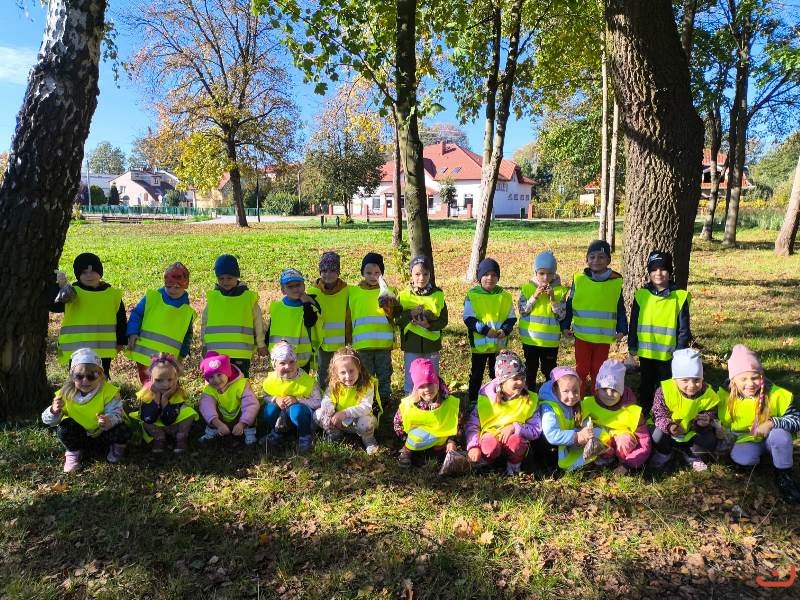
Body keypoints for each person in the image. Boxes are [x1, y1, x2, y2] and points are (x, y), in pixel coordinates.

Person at [717, 344, 800, 503]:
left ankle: (784, 475)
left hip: (772, 438)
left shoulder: (776, 394)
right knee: (742, 459)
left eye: (755, 378)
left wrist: (771, 422)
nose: (750, 384)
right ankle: (765, 459)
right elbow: (718, 419)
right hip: (747, 440)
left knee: (780, 436)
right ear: (733, 380)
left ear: (761, 376)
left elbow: (797, 419)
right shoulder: (724, 396)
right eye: (743, 379)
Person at [41, 348, 130, 472]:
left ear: (100, 375)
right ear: (72, 376)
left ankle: (117, 449)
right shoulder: (65, 393)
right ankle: (73, 453)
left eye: (91, 376)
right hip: (80, 437)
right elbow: (48, 421)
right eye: (79, 376)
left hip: (103, 434)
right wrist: (53, 411)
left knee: (122, 429)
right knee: (64, 427)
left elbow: (117, 413)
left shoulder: (108, 392)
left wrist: (109, 420)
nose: (85, 380)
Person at [628, 251, 691, 414]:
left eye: (663, 269)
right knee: (646, 383)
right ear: (649, 272)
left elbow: (684, 328)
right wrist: (632, 345)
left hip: (668, 353)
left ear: (670, 272)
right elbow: (634, 322)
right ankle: (645, 410)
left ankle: (663, 412)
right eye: (654, 269)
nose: (659, 273)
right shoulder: (641, 295)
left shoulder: (679, 297)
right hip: (646, 352)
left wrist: (681, 350)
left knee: (665, 385)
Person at [562, 240, 627, 395]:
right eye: (592, 257)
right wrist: (564, 326)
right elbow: (570, 304)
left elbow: (620, 308)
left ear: (608, 260)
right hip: (582, 336)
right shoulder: (579, 280)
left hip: (603, 338)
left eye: (601, 257)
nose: (596, 260)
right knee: (582, 369)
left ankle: (597, 399)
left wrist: (622, 329)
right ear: (587, 259)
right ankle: (577, 398)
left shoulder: (615, 282)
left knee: (598, 370)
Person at [51, 253, 127, 379]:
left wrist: (121, 341)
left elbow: (121, 320)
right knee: (78, 381)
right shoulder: (72, 292)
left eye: (93, 271)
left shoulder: (112, 295)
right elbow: (54, 306)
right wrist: (59, 286)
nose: (89, 275)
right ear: (78, 275)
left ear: (100, 272)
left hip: (103, 351)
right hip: (76, 352)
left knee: (101, 381)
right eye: (84, 272)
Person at [465, 350, 541, 476]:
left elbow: (536, 429)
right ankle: (487, 462)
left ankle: (514, 464)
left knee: (516, 443)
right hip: (490, 438)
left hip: (515, 441)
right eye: (515, 379)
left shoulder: (530, 400)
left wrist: (515, 427)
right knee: (490, 445)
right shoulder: (487, 399)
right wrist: (473, 446)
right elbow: (472, 425)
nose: (520, 382)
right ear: (502, 381)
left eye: (522, 378)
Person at [650, 348, 719, 471]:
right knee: (657, 435)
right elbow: (659, 414)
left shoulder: (707, 393)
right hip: (669, 431)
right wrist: (670, 426)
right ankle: (664, 452)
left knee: (709, 441)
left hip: (692, 431)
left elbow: (711, 411)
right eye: (685, 380)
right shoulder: (664, 391)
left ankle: (691, 454)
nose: (691, 385)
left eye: (697, 380)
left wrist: (706, 420)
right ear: (675, 379)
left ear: (702, 378)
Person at [127, 262, 195, 384]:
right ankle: (147, 396)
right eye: (169, 286)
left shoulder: (186, 310)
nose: (172, 290)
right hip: (144, 354)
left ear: (185, 286)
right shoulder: (152, 298)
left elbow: (187, 334)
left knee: (167, 385)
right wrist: (132, 332)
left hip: (168, 361)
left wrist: (182, 355)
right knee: (147, 383)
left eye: (177, 287)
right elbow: (137, 313)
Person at [201, 254, 266, 378]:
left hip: (241, 353)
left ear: (237, 276)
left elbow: (258, 322)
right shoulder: (213, 298)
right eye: (221, 278)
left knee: (240, 383)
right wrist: (204, 345)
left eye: (229, 278)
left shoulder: (248, 298)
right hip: (215, 353)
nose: (225, 282)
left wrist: (261, 344)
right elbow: (205, 323)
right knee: (216, 384)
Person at [581, 359, 652, 474]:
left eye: (614, 390)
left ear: (621, 391)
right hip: (602, 445)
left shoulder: (632, 412)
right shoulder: (588, 404)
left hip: (623, 448)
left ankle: (620, 460)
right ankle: (604, 458)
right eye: (604, 389)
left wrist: (629, 464)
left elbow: (644, 442)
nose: (609, 394)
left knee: (625, 440)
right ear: (597, 389)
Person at [464, 258, 516, 409]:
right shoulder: (472, 295)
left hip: (499, 344)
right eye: (486, 274)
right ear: (480, 276)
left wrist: (504, 330)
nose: (490, 278)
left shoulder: (505, 296)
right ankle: (473, 400)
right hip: (480, 346)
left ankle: (499, 398)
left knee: (498, 374)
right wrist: (486, 331)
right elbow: (468, 318)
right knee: (477, 373)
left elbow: (511, 317)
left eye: (494, 275)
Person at [348, 252, 399, 404]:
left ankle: (384, 399)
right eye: (368, 272)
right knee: (365, 374)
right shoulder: (353, 292)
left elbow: (395, 315)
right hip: (362, 345)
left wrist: (389, 302)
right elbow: (348, 318)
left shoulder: (390, 291)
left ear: (382, 273)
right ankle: (367, 402)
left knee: (384, 373)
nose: (372, 276)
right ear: (362, 273)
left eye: (377, 273)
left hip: (383, 344)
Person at [396, 256, 448, 394]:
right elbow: (397, 319)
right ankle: (410, 401)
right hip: (411, 346)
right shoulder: (403, 296)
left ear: (430, 274)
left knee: (432, 376)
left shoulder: (438, 295)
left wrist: (428, 325)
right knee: (411, 378)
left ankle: (433, 401)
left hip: (432, 345)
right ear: (411, 275)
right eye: (417, 274)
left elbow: (443, 320)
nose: (421, 278)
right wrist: (410, 313)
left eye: (425, 274)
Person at [394, 357, 459, 468]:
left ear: (437, 382)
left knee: (443, 441)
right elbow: (398, 423)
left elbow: (457, 422)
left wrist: (452, 441)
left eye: (430, 384)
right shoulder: (409, 404)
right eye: (421, 386)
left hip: (441, 437)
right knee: (416, 437)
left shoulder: (448, 401)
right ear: (416, 388)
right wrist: (404, 438)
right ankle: (407, 451)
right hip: (417, 438)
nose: (427, 389)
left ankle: (442, 453)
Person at [128, 353, 198, 454]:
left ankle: (181, 437)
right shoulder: (147, 393)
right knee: (142, 416)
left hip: (173, 425)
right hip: (156, 425)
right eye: (159, 380)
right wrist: (157, 397)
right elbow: (148, 417)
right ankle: (159, 437)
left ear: (176, 378)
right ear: (151, 379)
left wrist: (164, 399)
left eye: (170, 380)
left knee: (188, 412)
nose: (165, 385)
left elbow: (169, 419)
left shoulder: (178, 392)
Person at [316, 346, 380, 455]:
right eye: (343, 372)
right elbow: (327, 398)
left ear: (359, 368)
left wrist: (345, 413)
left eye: (351, 371)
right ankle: (335, 435)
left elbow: (366, 407)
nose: (348, 376)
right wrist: (329, 409)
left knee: (365, 423)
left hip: (358, 421)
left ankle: (369, 440)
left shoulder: (367, 384)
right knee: (318, 414)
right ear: (336, 373)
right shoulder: (334, 384)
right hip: (339, 422)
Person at [518, 250, 568, 389]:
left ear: (555, 273)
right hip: (530, 339)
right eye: (541, 273)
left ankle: (550, 393)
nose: (545, 277)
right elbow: (523, 311)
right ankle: (530, 394)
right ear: (535, 272)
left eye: (550, 273)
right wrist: (534, 297)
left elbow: (561, 315)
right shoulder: (527, 288)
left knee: (549, 370)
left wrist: (552, 299)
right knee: (530, 369)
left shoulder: (560, 291)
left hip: (550, 341)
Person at [539, 366, 605, 471]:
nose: (572, 396)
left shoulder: (575, 403)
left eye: (575, 391)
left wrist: (586, 428)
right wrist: (577, 436)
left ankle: (601, 452)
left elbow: (583, 417)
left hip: (571, 439)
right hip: (556, 449)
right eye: (566, 391)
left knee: (600, 433)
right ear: (555, 390)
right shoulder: (549, 407)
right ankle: (595, 457)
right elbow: (551, 435)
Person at [261, 341, 322, 454]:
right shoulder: (270, 380)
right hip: (281, 415)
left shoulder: (307, 381)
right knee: (269, 410)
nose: (288, 366)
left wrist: (298, 400)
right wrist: (276, 399)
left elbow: (319, 402)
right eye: (282, 363)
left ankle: (305, 436)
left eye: (291, 362)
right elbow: (265, 396)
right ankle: (277, 432)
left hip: (303, 417)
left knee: (297, 411)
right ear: (274, 365)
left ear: (296, 362)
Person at [307, 251, 351, 389]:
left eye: (332, 270)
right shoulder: (313, 292)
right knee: (324, 373)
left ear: (338, 272)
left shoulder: (347, 291)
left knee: (342, 372)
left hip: (342, 343)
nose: (328, 274)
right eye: (324, 271)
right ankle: (323, 396)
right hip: (322, 343)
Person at [198, 351, 259, 445]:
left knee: (250, 411)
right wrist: (218, 423)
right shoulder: (209, 389)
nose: (216, 380)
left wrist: (242, 423)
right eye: (211, 377)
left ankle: (249, 433)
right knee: (209, 411)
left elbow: (251, 404)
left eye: (219, 374)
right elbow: (206, 407)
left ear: (227, 372)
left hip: (240, 417)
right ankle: (212, 431)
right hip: (221, 419)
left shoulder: (241, 384)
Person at [266, 268, 321, 373]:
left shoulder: (310, 305)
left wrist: (306, 303)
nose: (295, 289)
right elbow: (270, 329)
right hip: (280, 358)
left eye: (298, 285)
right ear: (283, 290)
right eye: (290, 287)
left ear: (304, 286)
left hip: (301, 359)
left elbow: (310, 322)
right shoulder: (276, 307)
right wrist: (264, 344)